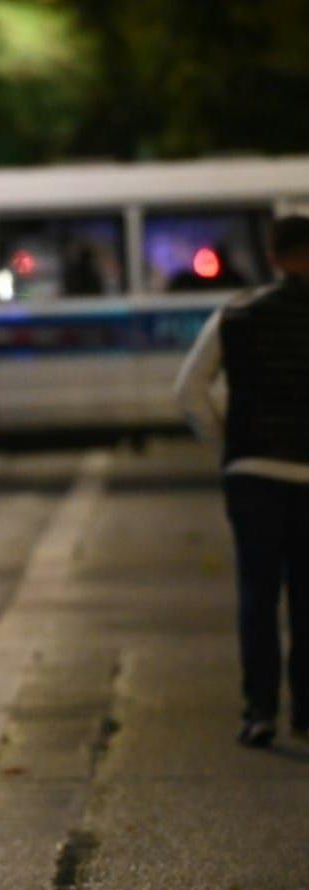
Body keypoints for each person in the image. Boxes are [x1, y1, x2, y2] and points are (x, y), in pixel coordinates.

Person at [174, 214, 309, 749]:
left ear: (274, 257)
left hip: (252, 474)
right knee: (307, 597)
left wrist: (229, 443)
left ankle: (259, 712)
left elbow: (188, 391)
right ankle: (306, 710)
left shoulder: (236, 315)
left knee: (256, 594)